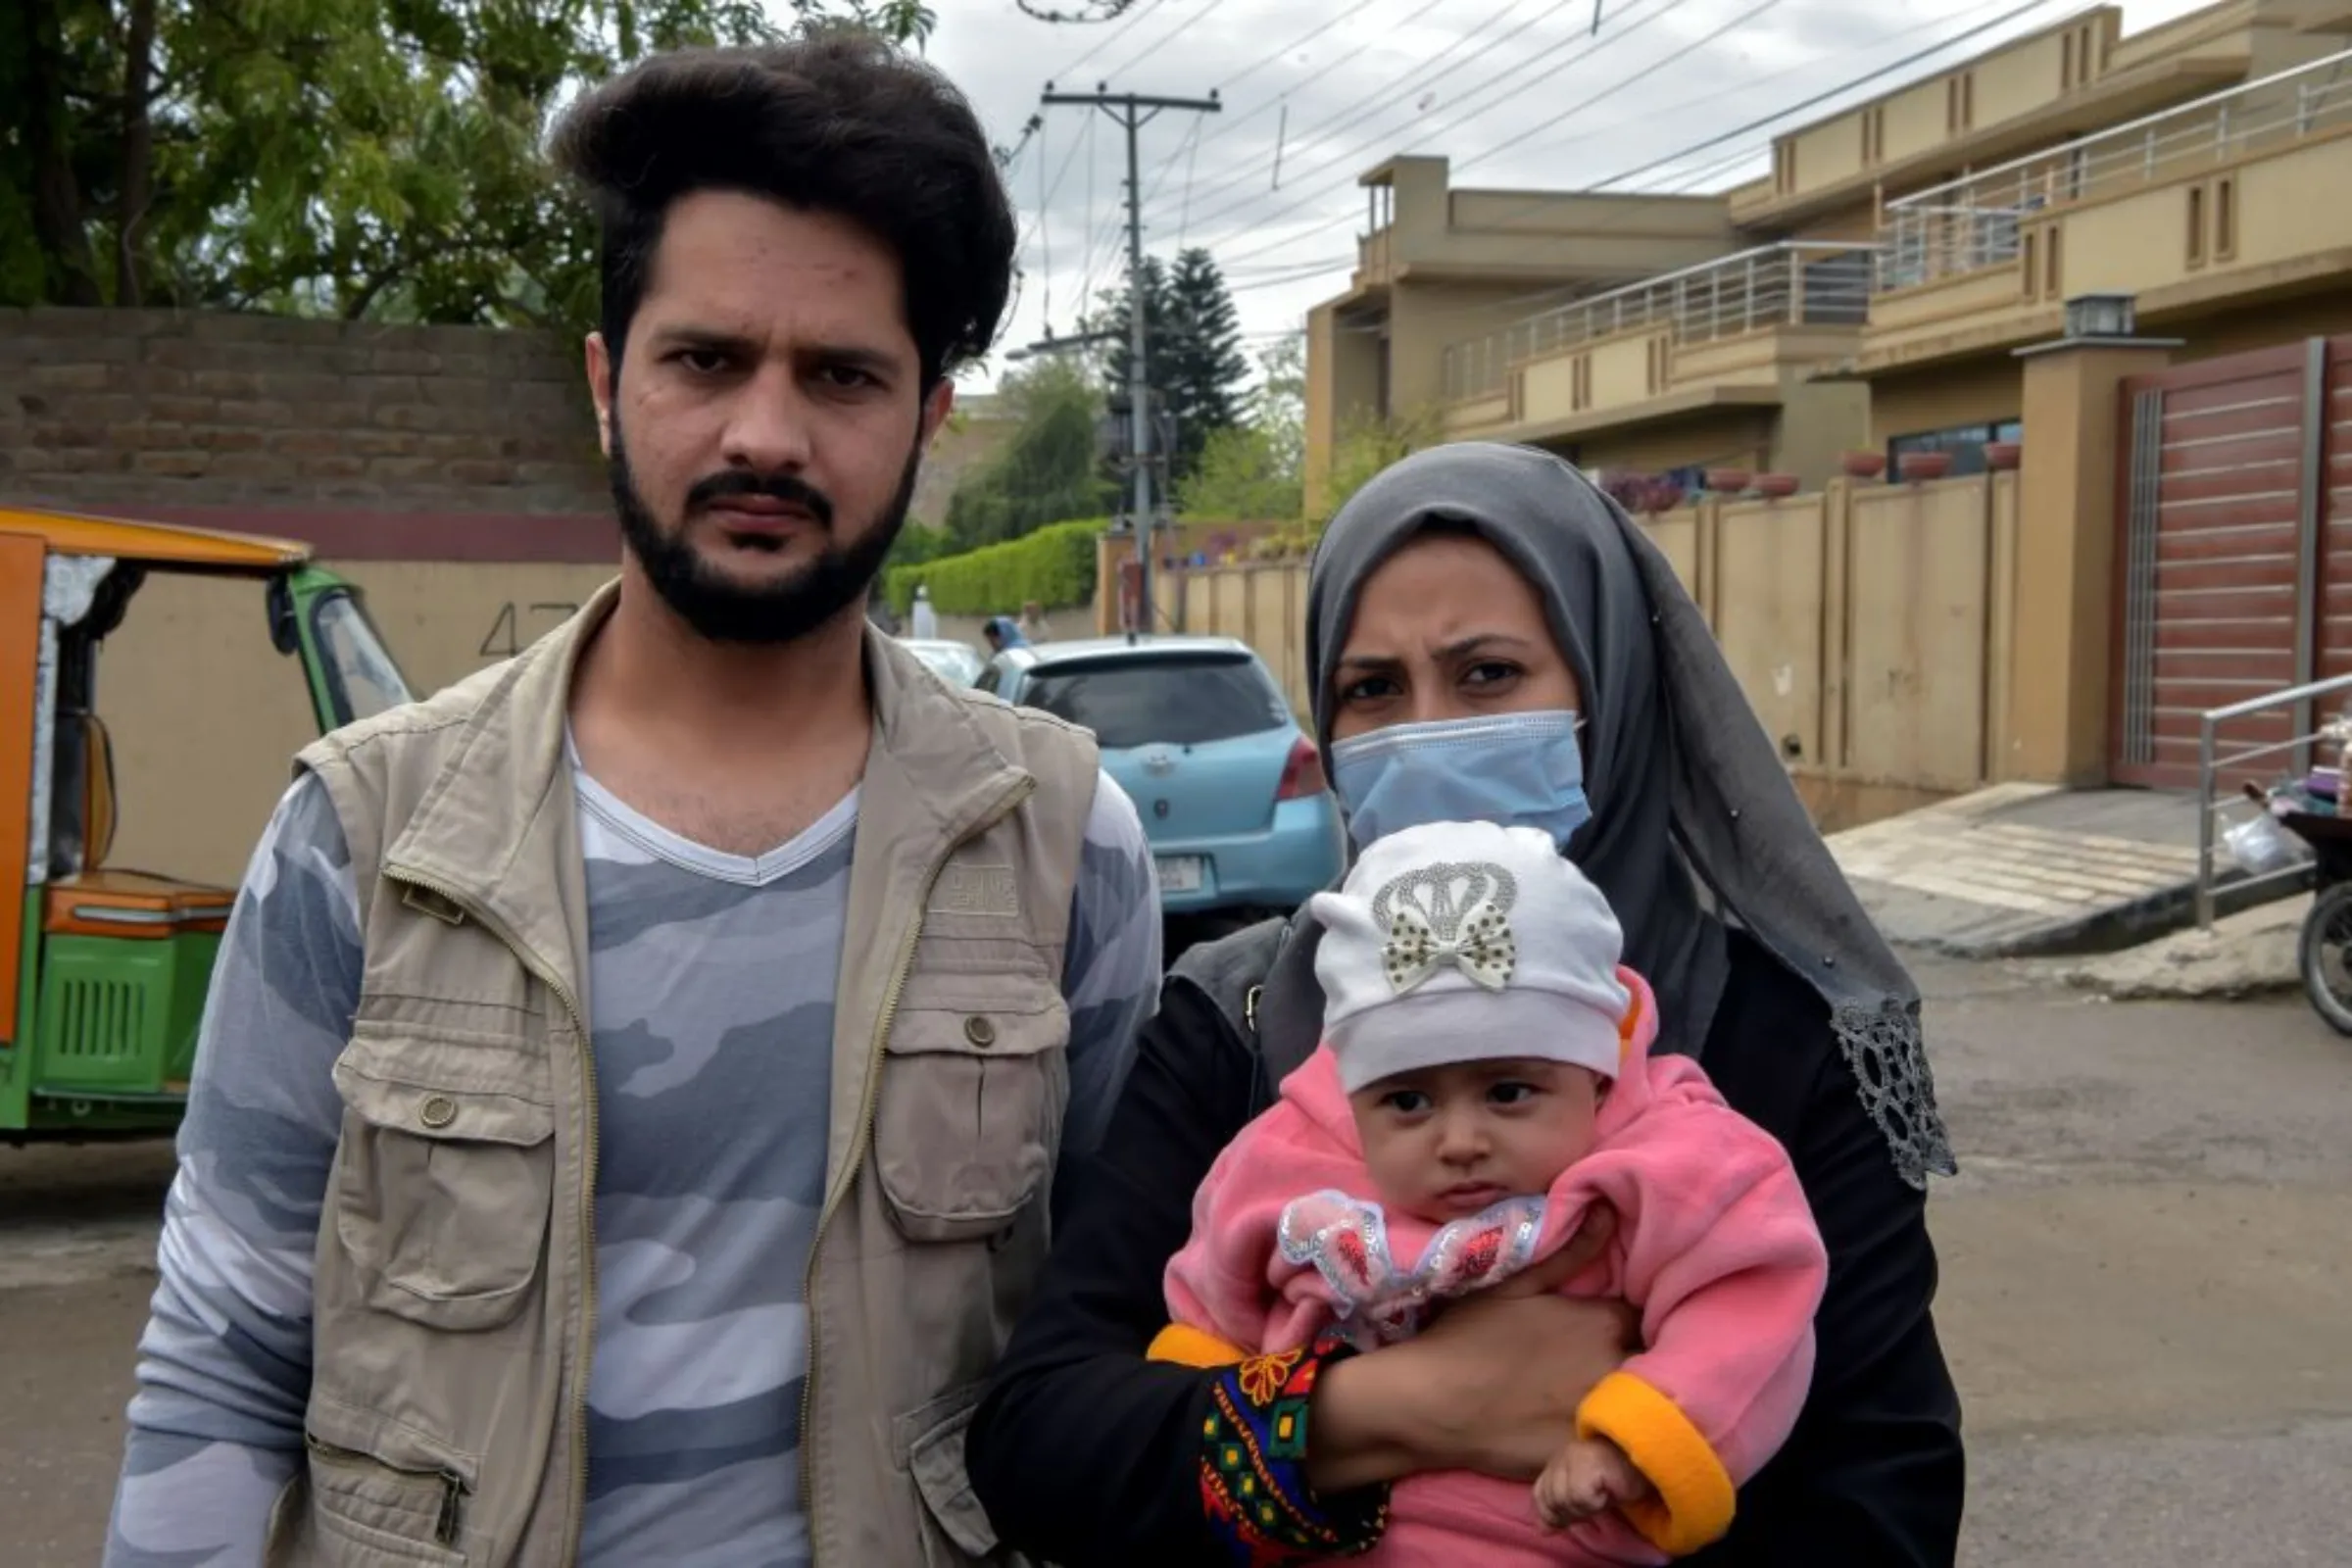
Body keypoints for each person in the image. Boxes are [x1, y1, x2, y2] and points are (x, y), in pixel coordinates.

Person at [105, 36, 1161, 1568]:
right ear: (608, 384)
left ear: (930, 417)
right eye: (706, 359)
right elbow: (221, 1351)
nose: (764, 436)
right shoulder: (368, 840)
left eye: (844, 374)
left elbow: (1118, 1344)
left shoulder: (1064, 847)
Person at [967, 440, 1964, 1566]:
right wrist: (1389, 1407)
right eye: (1372, 688)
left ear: (1611, 692)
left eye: (1487, 674)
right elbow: (1042, 1442)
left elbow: (1884, 1500)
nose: (1426, 728)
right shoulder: (1237, 1021)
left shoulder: (1779, 1039)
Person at [1158, 820, 1827, 1565]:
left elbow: (1753, 1302)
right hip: (1321, 1529)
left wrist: (1633, 1440)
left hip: (1549, 1538)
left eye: (1508, 1092)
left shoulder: (1673, 1164)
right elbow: (1206, 1315)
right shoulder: (1282, 1161)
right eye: (1407, 1102)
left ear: (1596, 1077)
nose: (1460, 1140)